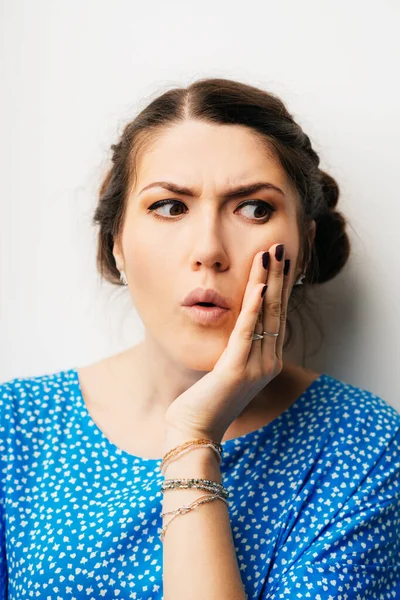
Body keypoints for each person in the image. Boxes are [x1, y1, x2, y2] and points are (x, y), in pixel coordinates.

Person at [1, 78, 399, 600]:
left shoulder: (366, 447)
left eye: (254, 208)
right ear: (115, 241)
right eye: (169, 206)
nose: (209, 249)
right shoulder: (16, 427)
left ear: (303, 246)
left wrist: (192, 440)